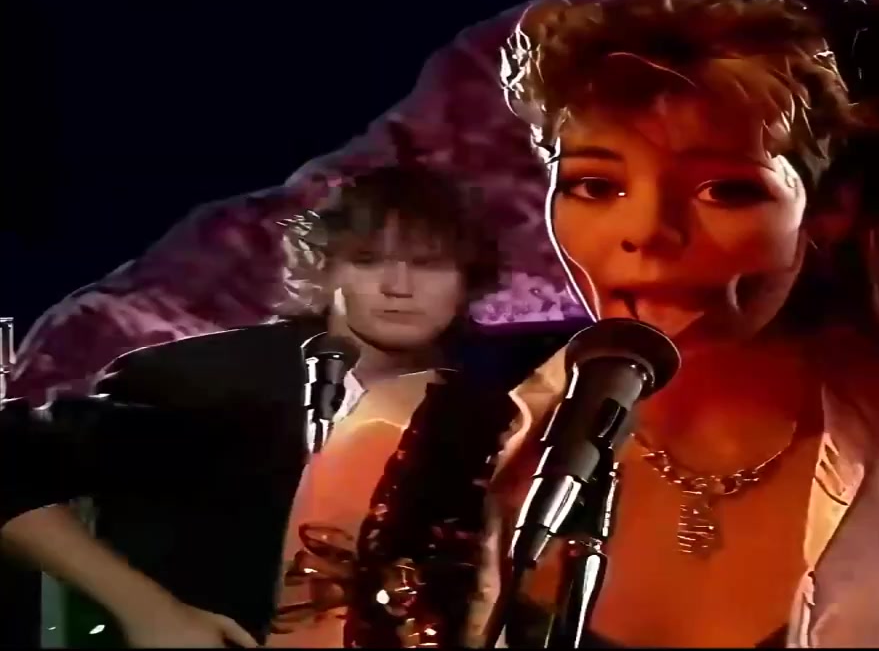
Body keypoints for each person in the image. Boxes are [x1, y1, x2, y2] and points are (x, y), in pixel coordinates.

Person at [343, 0, 879, 648]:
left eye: (724, 190)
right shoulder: (421, 456)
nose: (648, 232)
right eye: (596, 186)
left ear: (831, 208)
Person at [0, 160, 502, 647]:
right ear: (323, 269)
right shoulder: (202, 380)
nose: (399, 287)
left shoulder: (494, 417)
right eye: (367, 261)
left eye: (429, 264)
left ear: (470, 280)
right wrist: (149, 611)